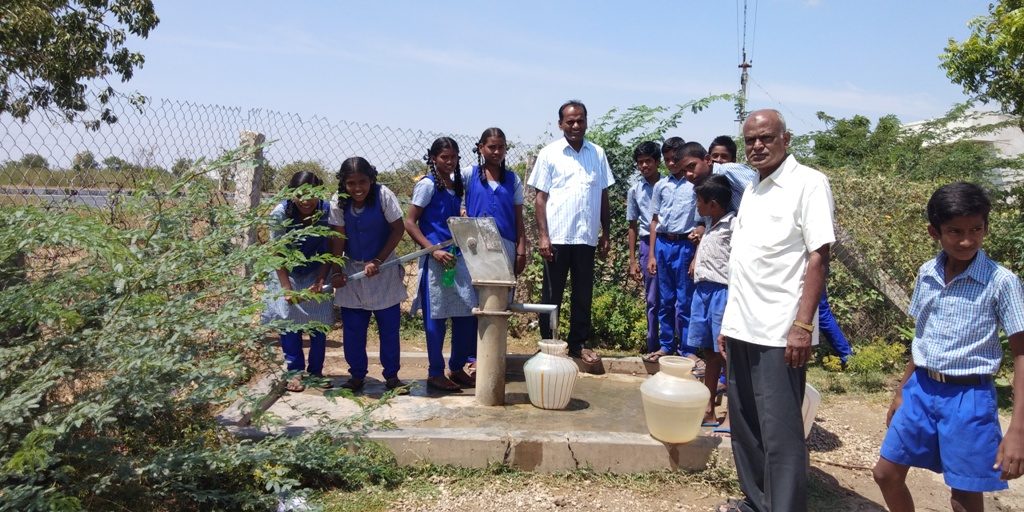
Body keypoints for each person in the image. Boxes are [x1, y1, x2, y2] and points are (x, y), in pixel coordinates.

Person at [872, 182, 1024, 512]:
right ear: (934, 231)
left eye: (976, 229)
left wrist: (1018, 430)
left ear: (986, 227)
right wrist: (901, 390)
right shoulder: (928, 272)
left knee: (963, 495)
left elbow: (1022, 354)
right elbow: (922, 336)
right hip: (921, 389)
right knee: (885, 474)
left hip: (969, 399)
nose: (967, 240)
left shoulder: (1002, 282)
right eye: (954, 231)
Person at [717, 109, 836, 512]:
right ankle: (757, 501)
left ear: (786, 139)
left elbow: (818, 257)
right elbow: (744, 261)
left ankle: (783, 507)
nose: (757, 146)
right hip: (742, 326)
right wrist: (727, 321)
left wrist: (802, 326)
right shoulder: (752, 188)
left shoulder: (809, 184)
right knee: (746, 427)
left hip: (780, 331)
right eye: (750, 140)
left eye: (766, 138)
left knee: (780, 432)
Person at [527, 100, 614, 370]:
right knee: (551, 295)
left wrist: (605, 232)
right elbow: (540, 199)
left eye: (580, 120)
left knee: (583, 293)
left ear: (586, 121)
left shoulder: (597, 153)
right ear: (560, 124)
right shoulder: (550, 153)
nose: (575, 126)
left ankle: (578, 344)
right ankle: (548, 343)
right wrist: (543, 236)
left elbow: (602, 195)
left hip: (585, 237)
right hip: (557, 238)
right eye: (570, 121)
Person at [329, 157, 408, 393]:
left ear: (371, 179)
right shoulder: (338, 201)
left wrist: (378, 260)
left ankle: (392, 377)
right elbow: (338, 237)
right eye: (351, 183)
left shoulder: (384, 195)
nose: (357, 188)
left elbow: (398, 229)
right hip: (352, 270)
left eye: (362, 182)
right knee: (353, 329)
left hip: (383, 270)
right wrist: (336, 270)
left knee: (389, 328)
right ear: (343, 184)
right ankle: (356, 376)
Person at [405, 137, 478, 392]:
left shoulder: (455, 185)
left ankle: (456, 367)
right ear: (433, 158)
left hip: (456, 258)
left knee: (466, 313)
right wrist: (431, 250)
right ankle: (435, 372)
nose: (449, 162)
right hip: (436, 260)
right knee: (436, 318)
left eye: (453, 157)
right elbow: (410, 222)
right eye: (444, 157)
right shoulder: (426, 185)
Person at [262, 171, 336, 392]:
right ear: (291, 193)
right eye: (299, 194)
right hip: (287, 271)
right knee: (289, 322)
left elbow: (332, 247)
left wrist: (322, 277)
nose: (306, 200)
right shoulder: (280, 214)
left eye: (311, 194)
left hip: (317, 269)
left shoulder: (327, 211)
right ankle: (294, 372)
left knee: (318, 323)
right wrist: (287, 289)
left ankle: (315, 373)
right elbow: (277, 253)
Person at [645, 142, 701, 365]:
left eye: (674, 159)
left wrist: (696, 254)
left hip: (685, 245)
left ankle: (688, 348)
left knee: (685, 301)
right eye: (666, 159)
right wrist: (651, 254)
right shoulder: (661, 186)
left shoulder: (694, 186)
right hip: (662, 245)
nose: (670, 164)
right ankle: (666, 345)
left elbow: (701, 222)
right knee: (665, 300)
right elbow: (654, 221)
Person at [687, 174, 734, 428]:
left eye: (699, 201)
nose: (696, 205)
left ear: (713, 204)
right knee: (709, 353)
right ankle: (709, 410)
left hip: (722, 293)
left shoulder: (732, 226)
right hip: (702, 293)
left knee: (727, 354)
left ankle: (732, 415)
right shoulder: (709, 225)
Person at [465, 127, 528, 276]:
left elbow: (519, 219)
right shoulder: (469, 174)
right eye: (492, 147)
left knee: (501, 294)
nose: (497, 152)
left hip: (506, 246)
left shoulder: (513, 180)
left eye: (501, 147)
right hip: (475, 247)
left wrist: (521, 252)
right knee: (476, 292)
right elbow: (447, 183)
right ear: (481, 148)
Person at [626, 141, 662, 354]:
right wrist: (632, 262)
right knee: (652, 297)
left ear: (657, 162)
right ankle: (653, 345)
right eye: (640, 162)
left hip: (668, 241)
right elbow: (632, 224)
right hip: (647, 244)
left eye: (648, 161)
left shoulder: (668, 185)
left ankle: (675, 347)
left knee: (673, 299)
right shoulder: (635, 190)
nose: (644, 166)